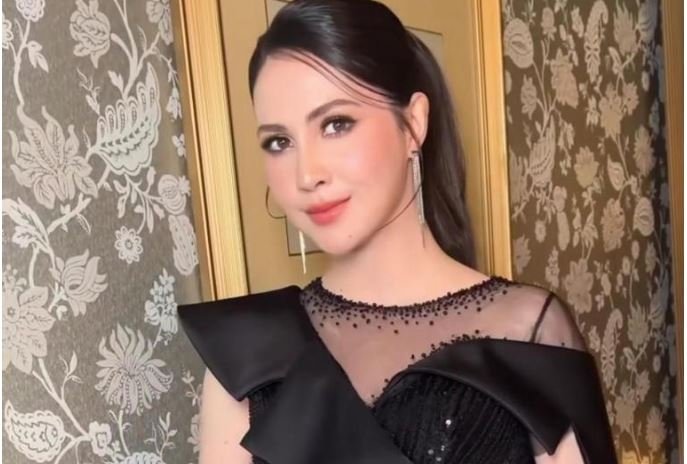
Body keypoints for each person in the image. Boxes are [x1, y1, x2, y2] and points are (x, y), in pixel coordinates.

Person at [177, 1, 617, 463]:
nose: (306, 174)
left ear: (413, 124)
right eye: (279, 142)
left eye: (336, 124)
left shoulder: (527, 333)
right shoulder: (245, 352)